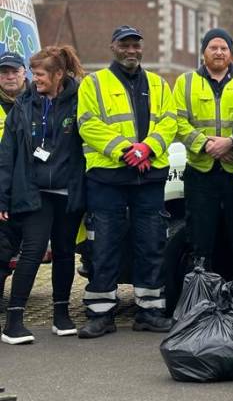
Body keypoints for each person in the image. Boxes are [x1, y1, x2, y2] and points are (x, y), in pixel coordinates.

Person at [76, 26, 177, 338]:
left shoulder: (159, 84)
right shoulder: (94, 83)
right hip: (108, 178)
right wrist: (125, 150)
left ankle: (150, 311)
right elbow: (87, 123)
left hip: (148, 178)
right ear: (113, 47)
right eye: (125, 45)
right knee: (103, 245)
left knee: (151, 245)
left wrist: (148, 148)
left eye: (135, 45)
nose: (131, 50)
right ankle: (101, 314)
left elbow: (170, 120)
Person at [0, 47, 85, 344]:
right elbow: (7, 154)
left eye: (39, 74)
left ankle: (61, 315)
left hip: (68, 191)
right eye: (33, 74)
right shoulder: (23, 105)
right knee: (33, 252)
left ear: (58, 74)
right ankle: (13, 322)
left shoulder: (79, 101)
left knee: (64, 253)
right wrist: (3, 197)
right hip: (33, 191)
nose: (35, 80)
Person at [174, 28, 233, 278]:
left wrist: (231, 142)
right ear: (203, 53)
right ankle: (201, 300)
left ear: (230, 52)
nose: (219, 52)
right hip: (200, 173)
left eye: (224, 48)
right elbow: (177, 121)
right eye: (213, 47)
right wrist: (205, 144)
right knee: (200, 240)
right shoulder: (185, 82)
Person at [0, 52, 27, 312]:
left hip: (34, 190)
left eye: (14, 71)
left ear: (24, 73)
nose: (9, 76)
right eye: (4, 72)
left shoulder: (38, 101)